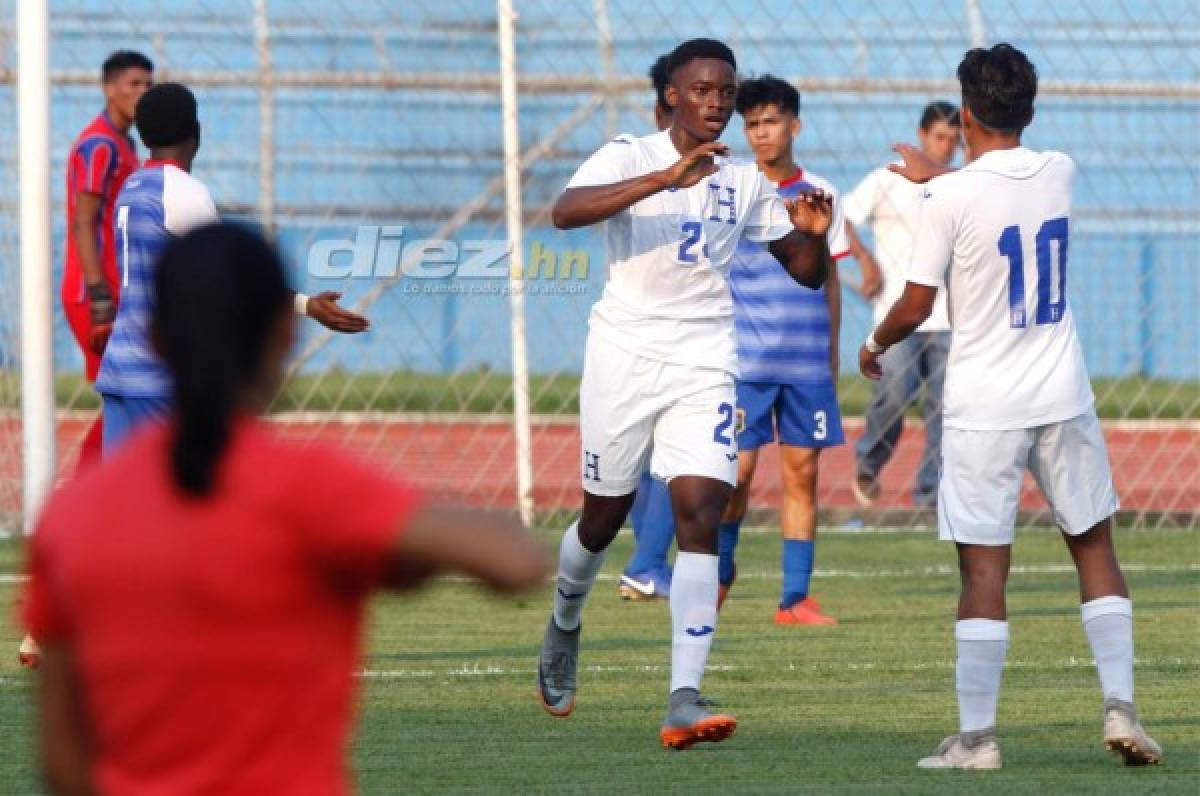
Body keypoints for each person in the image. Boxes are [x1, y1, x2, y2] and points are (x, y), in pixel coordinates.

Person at [24, 222, 549, 794]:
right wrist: (407, 551)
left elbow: (62, 762)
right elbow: (518, 560)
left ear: (153, 339)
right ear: (283, 338)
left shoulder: (74, 514)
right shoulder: (313, 489)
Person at [860, 43, 1162, 769]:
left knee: (985, 570)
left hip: (985, 404)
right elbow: (997, 190)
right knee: (1094, 547)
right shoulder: (1060, 171)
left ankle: (978, 739)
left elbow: (916, 303)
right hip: (1062, 393)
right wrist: (943, 176)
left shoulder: (946, 197)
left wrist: (872, 345)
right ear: (1030, 108)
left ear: (964, 115)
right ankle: (1120, 706)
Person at [536, 38, 832, 749]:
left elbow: (807, 272)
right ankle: (565, 620)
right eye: (702, 90)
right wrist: (664, 180)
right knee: (603, 521)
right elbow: (565, 211)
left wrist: (813, 237)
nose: (716, 103)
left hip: (705, 358)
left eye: (725, 92)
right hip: (625, 355)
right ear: (671, 94)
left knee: (700, 508)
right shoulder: (628, 153)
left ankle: (683, 698)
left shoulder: (746, 180)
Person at [97, 82, 368, 454]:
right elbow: (228, 277)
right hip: (158, 376)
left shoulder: (131, 186)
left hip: (119, 370)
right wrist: (307, 305)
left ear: (143, 135)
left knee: (127, 502)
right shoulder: (184, 192)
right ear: (197, 132)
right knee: (178, 501)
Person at [20, 51, 154, 670]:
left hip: (114, 296)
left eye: (150, 83)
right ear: (108, 88)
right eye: (134, 83)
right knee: (132, 411)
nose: (142, 91)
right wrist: (100, 294)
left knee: (125, 415)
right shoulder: (97, 145)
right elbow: (83, 220)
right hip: (95, 295)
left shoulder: (123, 145)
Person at [713, 75, 849, 624]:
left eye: (770, 122)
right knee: (736, 474)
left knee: (803, 474)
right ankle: (720, 571)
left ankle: (794, 598)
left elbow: (831, 279)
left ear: (795, 125)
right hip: (746, 361)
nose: (760, 133)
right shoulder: (735, 189)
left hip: (805, 361)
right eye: (751, 124)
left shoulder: (820, 192)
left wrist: (833, 349)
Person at [843, 102, 960, 508]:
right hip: (897, 313)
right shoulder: (886, 179)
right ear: (923, 135)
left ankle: (930, 494)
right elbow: (841, 218)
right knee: (894, 394)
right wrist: (864, 258)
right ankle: (869, 464)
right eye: (940, 137)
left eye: (954, 140)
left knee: (946, 409)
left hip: (949, 315)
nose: (946, 147)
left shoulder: (957, 185)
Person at [618, 53, 678, 603]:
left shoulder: (725, 173)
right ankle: (647, 560)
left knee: (680, 459)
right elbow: (570, 208)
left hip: (695, 341)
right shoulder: (628, 158)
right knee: (634, 463)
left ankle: (648, 562)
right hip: (635, 338)